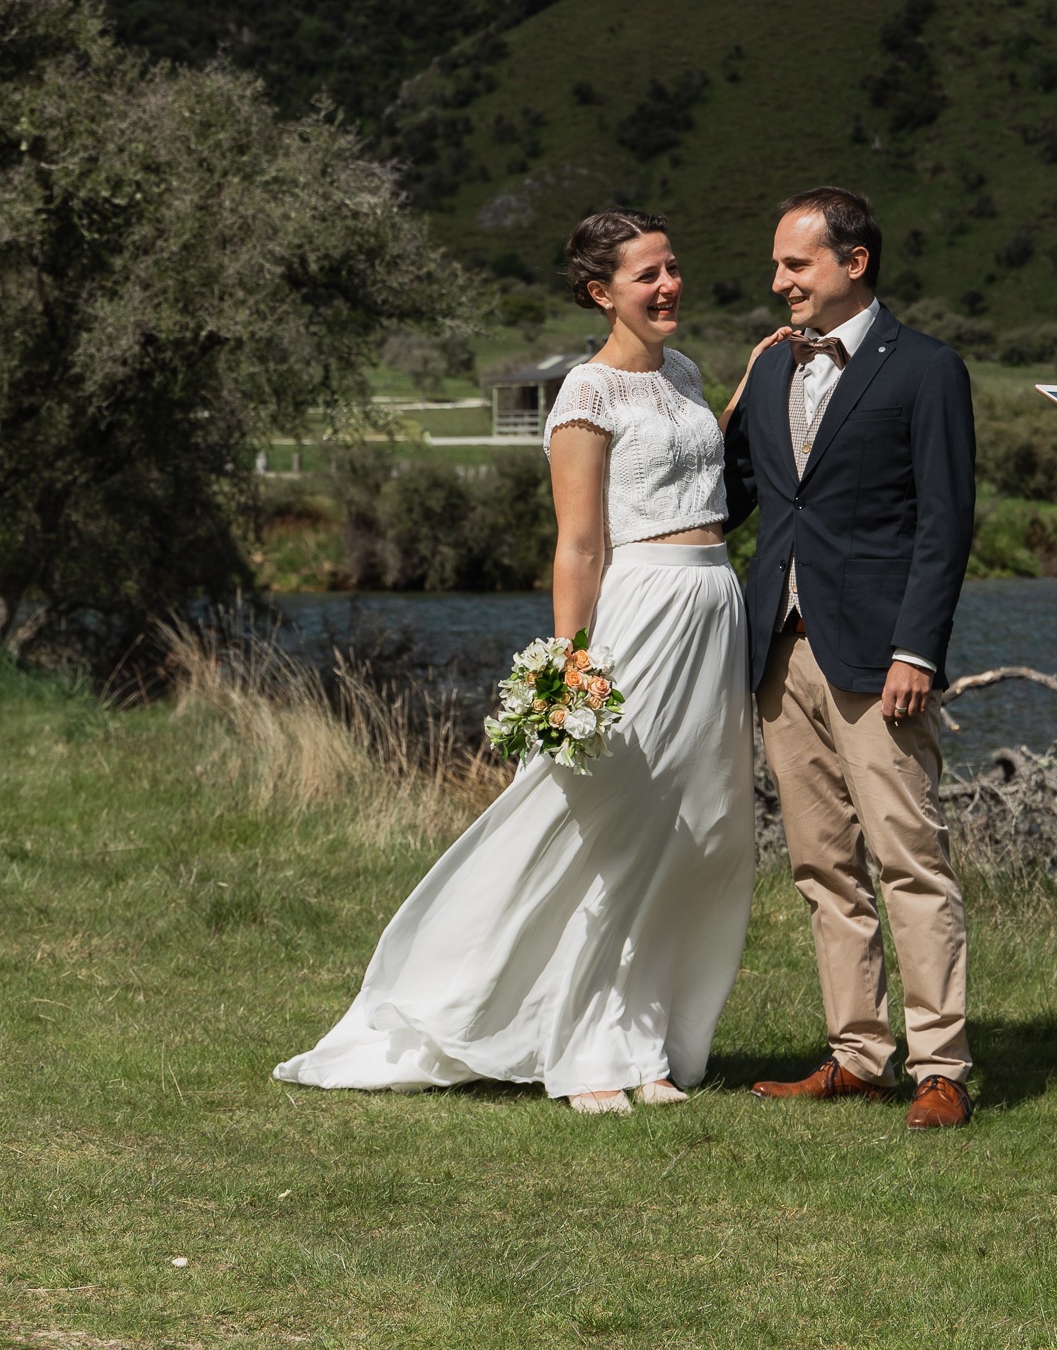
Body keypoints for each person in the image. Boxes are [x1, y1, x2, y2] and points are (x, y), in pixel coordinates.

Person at [276, 210, 762, 1113]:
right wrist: (570, 668)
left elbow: (710, 469)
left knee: (695, 831)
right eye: (647, 276)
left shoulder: (686, 374)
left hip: (713, 611)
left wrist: (763, 375)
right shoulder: (585, 395)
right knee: (614, 830)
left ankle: (641, 1040)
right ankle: (577, 1049)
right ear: (598, 292)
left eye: (672, 268)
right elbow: (578, 547)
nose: (669, 287)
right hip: (643, 616)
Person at [722, 187, 978, 1131]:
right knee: (821, 866)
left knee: (909, 857)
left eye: (796, 264)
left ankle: (939, 1066)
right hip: (779, 652)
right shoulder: (773, 369)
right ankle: (856, 1054)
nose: (778, 280)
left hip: (880, 657)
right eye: (779, 265)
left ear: (854, 263)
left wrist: (919, 646)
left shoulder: (927, 370)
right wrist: (738, 399)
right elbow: (737, 498)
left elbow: (945, 523)